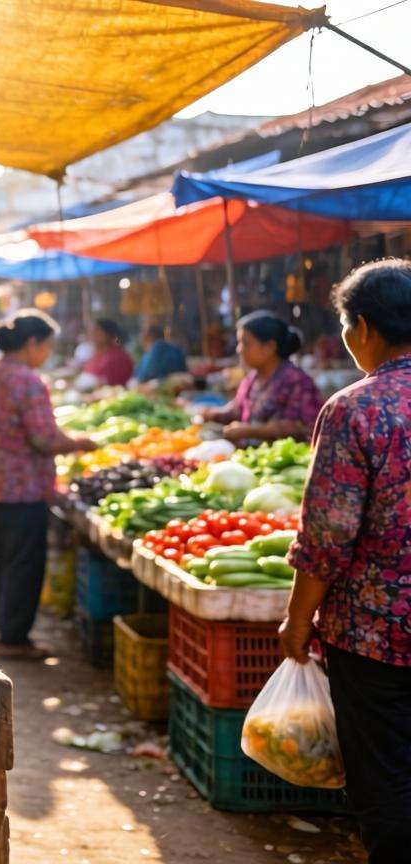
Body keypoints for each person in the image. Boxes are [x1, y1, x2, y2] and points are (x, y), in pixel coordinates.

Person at [279, 259, 411, 864]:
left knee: (385, 775)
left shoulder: (356, 407)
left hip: (378, 635)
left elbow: (327, 536)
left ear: (361, 328)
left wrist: (298, 618)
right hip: (380, 632)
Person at [0, 311, 97, 658]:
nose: (47, 354)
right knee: (22, 562)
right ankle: (14, 638)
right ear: (33, 343)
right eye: (47, 347)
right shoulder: (27, 380)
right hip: (19, 487)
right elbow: (45, 438)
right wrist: (81, 442)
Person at [199, 311, 323, 444]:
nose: (239, 350)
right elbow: (236, 410)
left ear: (269, 347)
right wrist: (211, 414)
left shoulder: (296, 381)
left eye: (245, 343)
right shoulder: (251, 380)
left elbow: (303, 428)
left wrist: (251, 431)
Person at [82, 318, 134, 386]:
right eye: (91, 331)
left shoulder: (118, 357)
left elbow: (108, 383)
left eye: (97, 331)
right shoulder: (98, 354)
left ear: (109, 335)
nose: (92, 334)